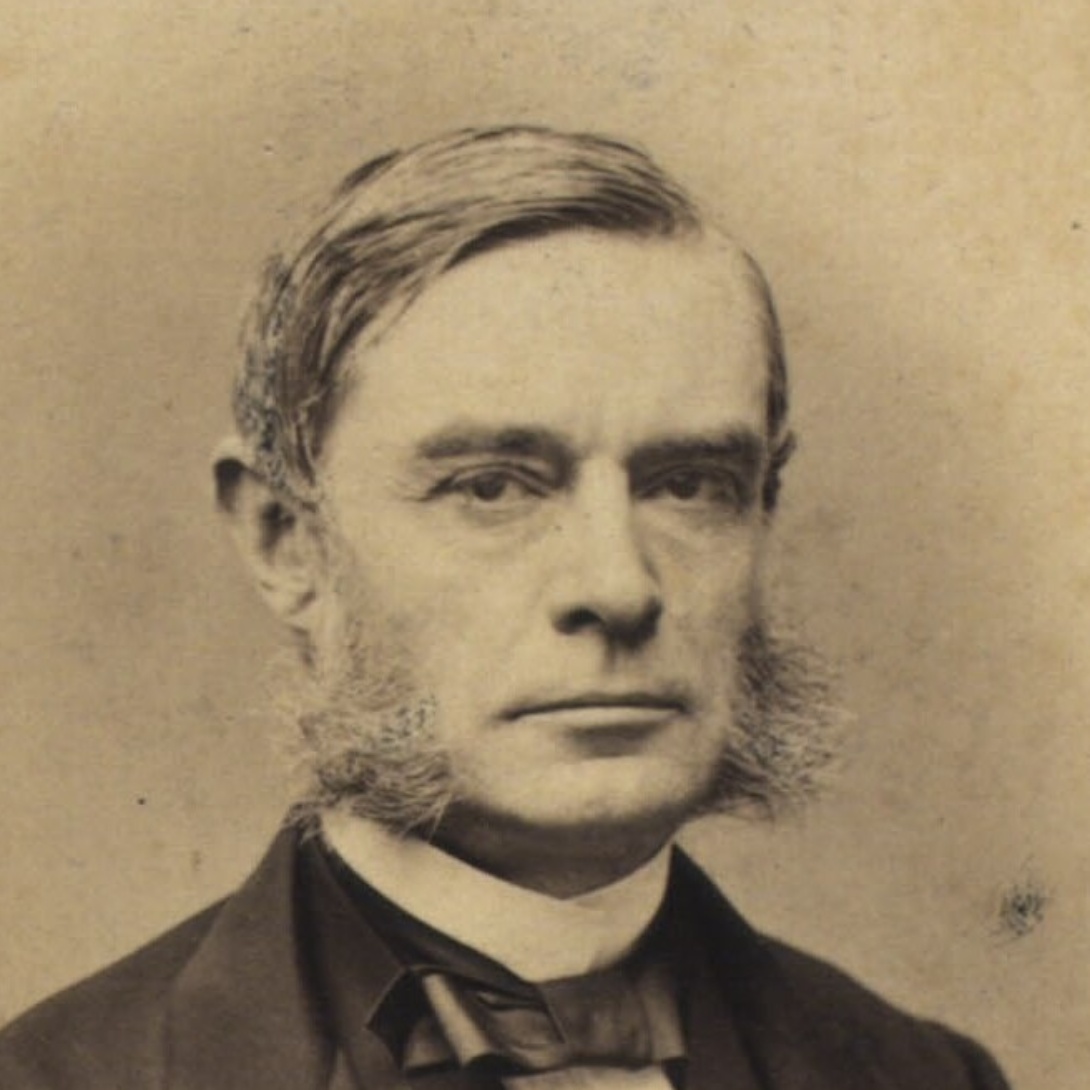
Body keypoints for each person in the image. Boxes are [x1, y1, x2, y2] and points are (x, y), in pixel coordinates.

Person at [0, 125, 1011, 1089]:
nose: (617, 586)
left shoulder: (928, 1076)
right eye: (492, 487)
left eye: (690, 485)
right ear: (286, 542)